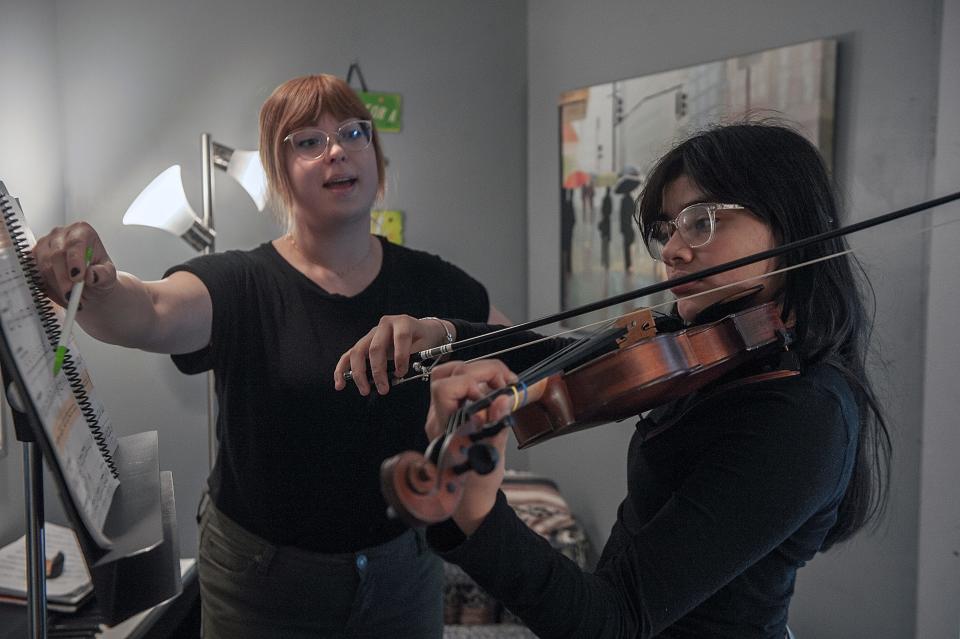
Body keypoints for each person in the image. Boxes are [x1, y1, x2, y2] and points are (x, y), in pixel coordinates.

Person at [342, 122, 891, 638]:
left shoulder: (801, 414)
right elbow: (578, 355)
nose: (674, 250)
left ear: (789, 223)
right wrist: (444, 335)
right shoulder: (719, 339)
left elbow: (617, 621)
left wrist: (480, 516)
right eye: (668, 229)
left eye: (703, 220)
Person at [32, 73, 508, 639]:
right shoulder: (241, 282)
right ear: (279, 172)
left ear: (375, 156)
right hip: (261, 582)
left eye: (353, 133)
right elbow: (150, 311)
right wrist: (99, 284)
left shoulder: (434, 284)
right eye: (308, 141)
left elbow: (530, 354)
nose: (337, 149)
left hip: (403, 573)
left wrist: (455, 346)